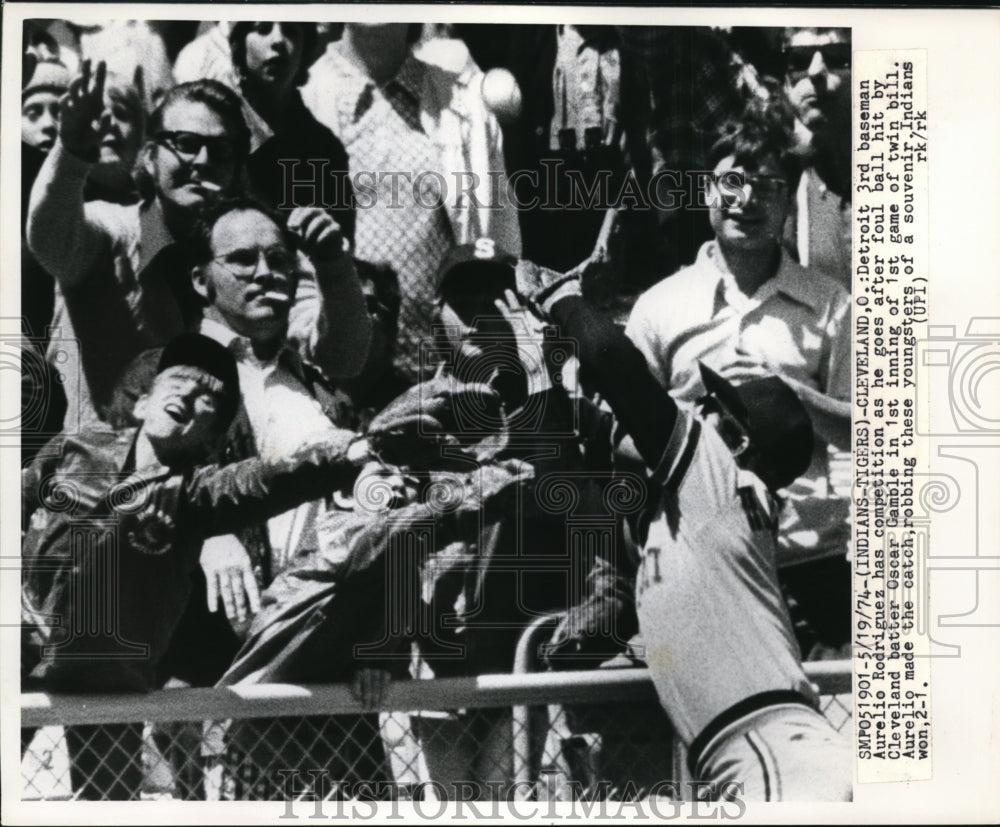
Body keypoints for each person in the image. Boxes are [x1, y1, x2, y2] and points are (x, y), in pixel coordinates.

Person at [515, 258, 852, 801]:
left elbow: (615, 366)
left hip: (772, 760)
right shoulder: (698, 511)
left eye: (714, 406)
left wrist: (562, 296)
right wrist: (536, 361)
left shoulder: (717, 475)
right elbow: (573, 452)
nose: (696, 408)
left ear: (739, 442)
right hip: (776, 755)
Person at [21, 332, 374, 799]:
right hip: (19, 647)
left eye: (210, 398)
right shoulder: (78, 448)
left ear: (212, 441)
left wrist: (345, 454)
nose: (189, 393)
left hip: (106, 683)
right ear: (144, 402)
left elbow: (265, 481)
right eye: (180, 379)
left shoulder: (197, 496)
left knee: (106, 807)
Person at [401, 242, 636, 799]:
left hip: (528, 674)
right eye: (464, 301)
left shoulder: (572, 417)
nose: (483, 314)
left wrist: (535, 373)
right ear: (438, 315)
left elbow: (592, 528)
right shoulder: (413, 412)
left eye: (498, 297)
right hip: (435, 674)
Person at [624, 96, 852, 655]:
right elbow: (621, 443)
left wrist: (789, 396)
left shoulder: (831, 305)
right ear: (707, 190)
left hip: (808, 567)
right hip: (702, 565)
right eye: (731, 181)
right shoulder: (659, 307)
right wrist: (683, 416)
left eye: (768, 185)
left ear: (787, 200)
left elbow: (872, 432)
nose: (746, 200)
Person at [302, 23, 522, 383]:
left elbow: (500, 245)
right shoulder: (300, 97)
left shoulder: (465, 101)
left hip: (446, 385)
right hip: (335, 381)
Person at [228, 21, 355, 240]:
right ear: (240, 44)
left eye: (291, 31)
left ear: (306, 48)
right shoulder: (219, 128)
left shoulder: (324, 148)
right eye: (263, 29)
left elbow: (341, 242)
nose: (278, 41)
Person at [781, 27, 852, 288]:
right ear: (786, 84)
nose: (814, 71)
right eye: (799, 60)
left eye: (835, 56)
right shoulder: (783, 190)